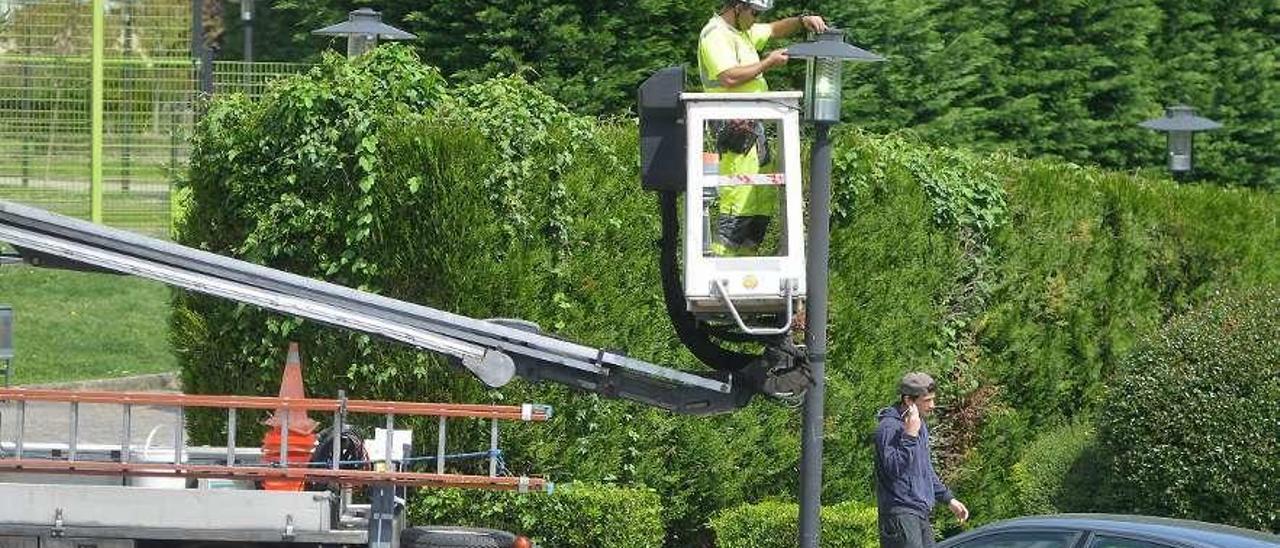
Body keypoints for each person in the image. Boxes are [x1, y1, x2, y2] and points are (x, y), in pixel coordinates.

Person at [697, 0, 827, 256]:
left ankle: (746, 268)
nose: (756, 18)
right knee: (739, 200)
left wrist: (802, 21)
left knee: (761, 201)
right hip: (732, 126)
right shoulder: (715, 34)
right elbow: (729, 77)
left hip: (753, 126)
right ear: (737, 7)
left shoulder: (742, 31)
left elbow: (774, 29)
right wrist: (767, 63)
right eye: (754, 12)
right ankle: (721, 269)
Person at [873, 372, 970, 548]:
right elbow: (893, 468)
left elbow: (924, 470)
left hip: (919, 513)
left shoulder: (919, 424)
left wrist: (949, 499)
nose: (933, 405)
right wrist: (909, 435)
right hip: (899, 513)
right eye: (927, 400)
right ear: (909, 400)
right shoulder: (889, 427)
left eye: (933, 399)